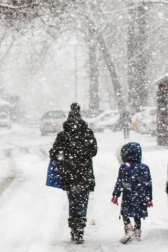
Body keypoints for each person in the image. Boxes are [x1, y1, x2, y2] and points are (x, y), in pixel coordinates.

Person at [49, 103, 98, 244]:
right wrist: (81, 155)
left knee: (73, 202)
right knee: (82, 201)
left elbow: (53, 153)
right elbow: (93, 151)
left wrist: (65, 155)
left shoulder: (63, 135)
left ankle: (74, 228)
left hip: (68, 173)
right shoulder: (87, 133)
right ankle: (80, 229)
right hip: (84, 174)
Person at [111, 142, 152, 244]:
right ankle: (137, 232)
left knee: (125, 213)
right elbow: (148, 184)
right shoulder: (145, 167)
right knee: (137, 215)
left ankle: (128, 229)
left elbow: (120, 182)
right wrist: (149, 198)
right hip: (141, 194)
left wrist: (116, 195)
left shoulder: (124, 167)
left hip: (128, 194)